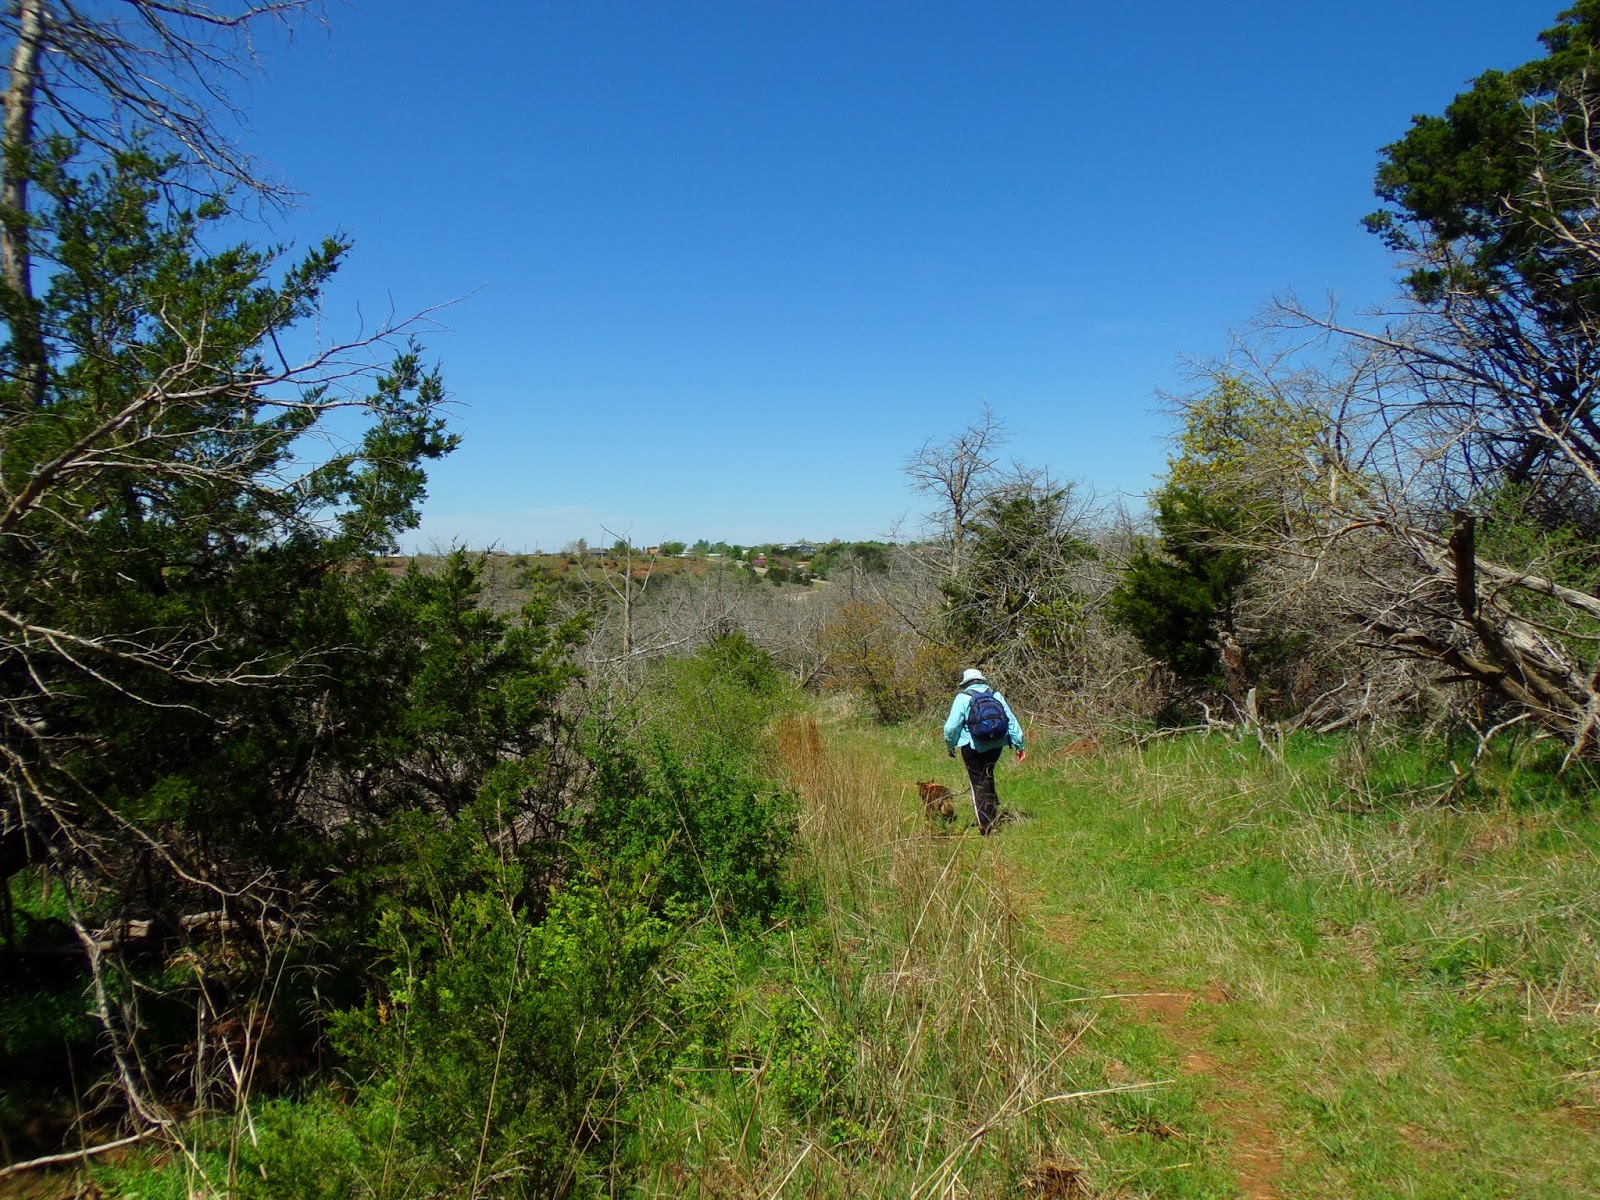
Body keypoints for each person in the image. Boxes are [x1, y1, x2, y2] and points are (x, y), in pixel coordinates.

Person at [942, 668, 1025, 834]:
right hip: (996, 746)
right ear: (982, 680)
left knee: (978, 783)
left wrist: (950, 745)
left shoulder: (963, 698)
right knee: (988, 776)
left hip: (972, 747)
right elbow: (1011, 721)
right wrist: (1019, 745)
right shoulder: (996, 696)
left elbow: (951, 727)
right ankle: (992, 813)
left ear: (965, 684)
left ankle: (987, 826)